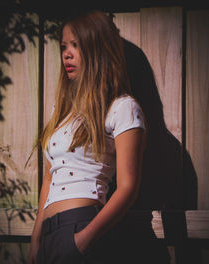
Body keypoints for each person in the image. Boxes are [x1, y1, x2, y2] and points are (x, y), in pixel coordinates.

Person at [27, 10, 148, 264]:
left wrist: (84, 239)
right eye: (63, 46)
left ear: (97, 50)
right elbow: (50, 176)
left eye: (76, 45)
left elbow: (128, 187)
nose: (66, 54)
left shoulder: (122, 107)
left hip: (82, 226)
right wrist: (36, 241)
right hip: (49, 234)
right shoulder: (61, 111)